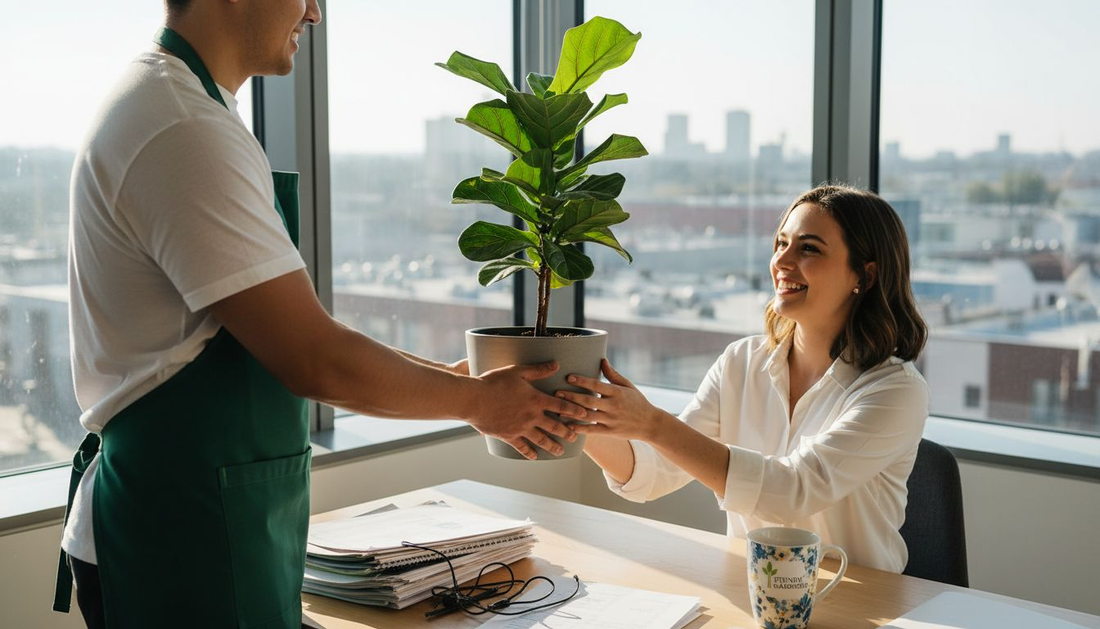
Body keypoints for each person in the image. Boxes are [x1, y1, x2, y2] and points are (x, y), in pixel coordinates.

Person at [53, 1, 588, 627]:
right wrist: (478, 403)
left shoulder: (186, 107)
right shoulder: (182, 128)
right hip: (183, 536)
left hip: (212, 522)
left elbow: (296, 328)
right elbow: (313, 358)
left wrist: (468, 387)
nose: (314, 13)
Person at [559, 185, 929, 573]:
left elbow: (792, 491)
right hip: (755, 592)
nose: (781, 261)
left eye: (809, 248)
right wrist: (575, 412)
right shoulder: (741, 362)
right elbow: (652, 473)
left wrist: (651, 423)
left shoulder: (895, 390)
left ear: (865, 275)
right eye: (781, 243)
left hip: (863, 603)